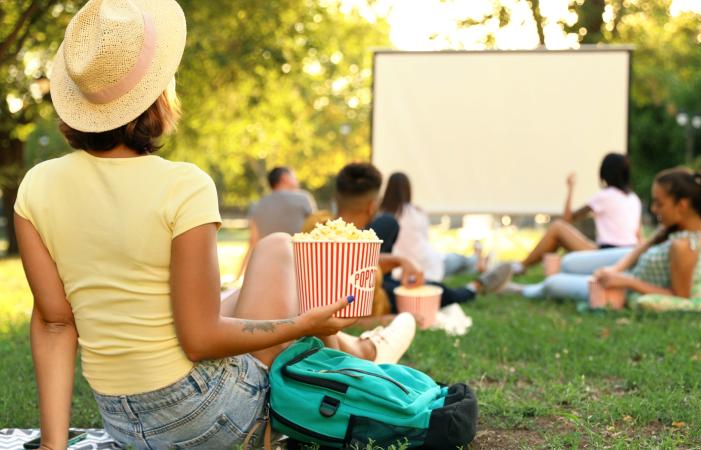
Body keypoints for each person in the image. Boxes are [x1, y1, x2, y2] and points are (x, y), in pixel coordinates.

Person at [15, 2, 413, 448]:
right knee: (279, 248)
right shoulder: (183, 186)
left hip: (123, 423)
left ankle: (363, 351)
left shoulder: (37, 187)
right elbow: (200, 339)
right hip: (209, 416)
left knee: (237, 292)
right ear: (160, 94)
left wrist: (53, 446)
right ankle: (365, 354)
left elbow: (53, 324)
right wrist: (301, 325)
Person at [305, 163, 513, 314]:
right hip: (369, 294)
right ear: (371, 206)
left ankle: (474, 274)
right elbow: (351, 268)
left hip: (374, 277)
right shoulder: (358, 259)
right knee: (434, 290)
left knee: (388, 223)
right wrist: (401, 261)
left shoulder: (315, 223)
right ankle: (475, 287)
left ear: (336, 198)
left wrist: (400, 261)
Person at [511, 168, 701, 303]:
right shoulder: (677, 229)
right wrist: (615, 270)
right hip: (626, 264)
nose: (655, 209)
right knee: (568, 263)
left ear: (682, 205)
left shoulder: (683, 246)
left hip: (629, 279)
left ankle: (518, 289)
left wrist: (624, 281)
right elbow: (642, 247)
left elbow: (680, 296)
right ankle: (518, 277)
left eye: (659, 203)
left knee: (553, 283)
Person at [513, 153, 642, 275]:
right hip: (627, 253)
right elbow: (638, 234)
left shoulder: (605, 196)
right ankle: (527, 266)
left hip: (606, 253)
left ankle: (521, 266)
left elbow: (567, 219)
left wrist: (570, 188)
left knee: (557, 228)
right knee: (563, 234)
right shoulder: (633, 199)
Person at [379, 172, 486, 282]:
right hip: (425, 261)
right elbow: (426, 238)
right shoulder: (416, 212)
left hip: (397, 267)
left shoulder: (381, 215)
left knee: (456, 261)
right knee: (458, 260)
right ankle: (476, 259)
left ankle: (476, 260)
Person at [236, 166, 316, 279]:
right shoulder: (303, 198)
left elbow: (252, 242)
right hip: (300, 269)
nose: (297, 181)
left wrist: (238, 276)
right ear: (284, 178)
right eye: (294, 177)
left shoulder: (258, 205)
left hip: (268, 270)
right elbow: (316, 232)